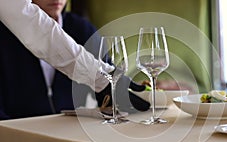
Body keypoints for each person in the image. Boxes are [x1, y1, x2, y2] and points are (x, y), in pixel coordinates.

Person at [0, 0, 149, 120]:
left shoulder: (82, 29)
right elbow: (28, 21)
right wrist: (102, 79)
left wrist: (106, 79)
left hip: (68, 131)